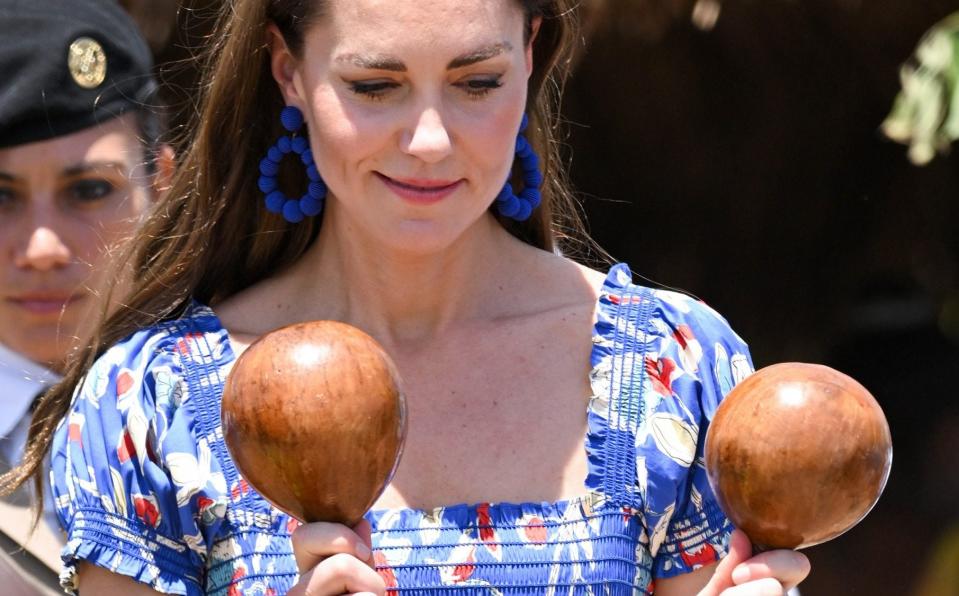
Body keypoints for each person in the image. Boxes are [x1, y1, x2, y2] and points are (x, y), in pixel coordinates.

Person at [3, 0, 810, 594]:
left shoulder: (677, 368)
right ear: (288, 71)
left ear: (530, 56)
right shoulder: (151, 401)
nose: (428, 140)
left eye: (477, 80)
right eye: (376, 85)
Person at [0, 0, 172, 591]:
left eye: (91, 189)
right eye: (0, 198)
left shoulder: (236, 406)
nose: (42, 247)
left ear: (163, 183)